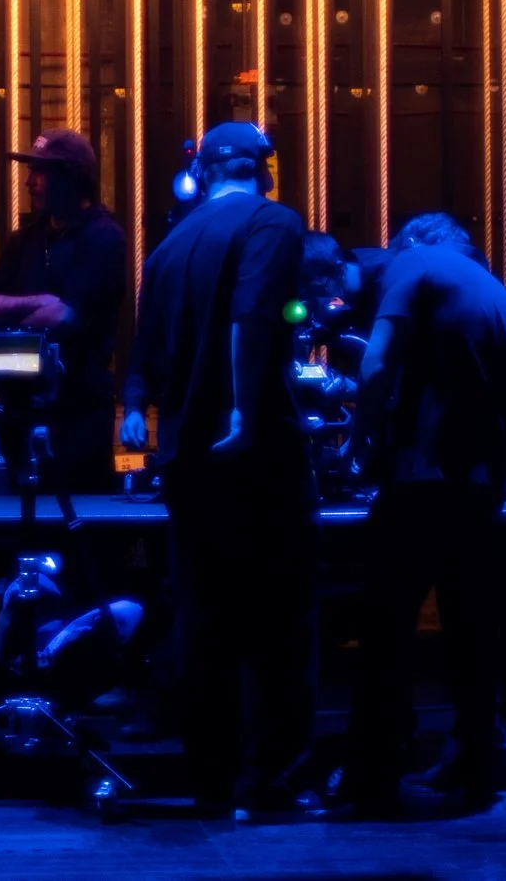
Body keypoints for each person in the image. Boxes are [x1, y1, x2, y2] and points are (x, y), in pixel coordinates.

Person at [120, 121, 314, 819]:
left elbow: (142, 343)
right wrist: (243, 409)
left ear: (203, 172)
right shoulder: (274, 223)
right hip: (251, 454)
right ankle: (269, 782)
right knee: (278, 621)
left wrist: (138, 406)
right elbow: (254, 317)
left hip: (185, 458)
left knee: (204, 619)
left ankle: (210, 776)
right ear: (265, 168)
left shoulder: (171, 243)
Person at [338, 211, 506, 816]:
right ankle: (474, 762)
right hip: (480, 486)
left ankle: (370, 776)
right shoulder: (504, 296)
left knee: (383, 627)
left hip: (424, 479)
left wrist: (357, 441)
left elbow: (377, 362)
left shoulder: (411, 263)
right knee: (470, 631)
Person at [0, 128, 128, 492]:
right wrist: (38, 302)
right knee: (23, 521)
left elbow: (64, 317)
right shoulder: (28, 237)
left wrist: (9, 314)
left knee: (75, 525)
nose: (29, 181)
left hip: (77, 412)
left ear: (72, 177)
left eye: (40, 172)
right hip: (19, 407)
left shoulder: (102, 236)